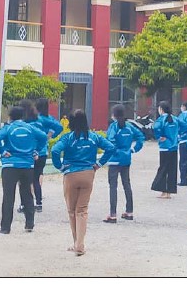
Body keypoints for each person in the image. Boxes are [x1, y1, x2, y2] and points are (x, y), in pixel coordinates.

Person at [51, 110, 115, 256]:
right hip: (88, 174)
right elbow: (110, 147)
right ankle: (80, 244)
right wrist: (99, 164)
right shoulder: (93, 136)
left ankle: (76, 242)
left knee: (71, 211)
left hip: (71, 174)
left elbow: (55, 151)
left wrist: (60, 167)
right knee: (82, 210)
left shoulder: (67, 138)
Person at [0, 105, 47, 234]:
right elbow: (43, 137)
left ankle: (5, 227)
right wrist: (36, 150)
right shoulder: (30, 128)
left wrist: (2, 151)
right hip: (27, 165)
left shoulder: (8, 128)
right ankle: (29, 224)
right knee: (27, 194)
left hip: (10, 165)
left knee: (8, 196)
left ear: (10, 117)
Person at [17, 98, 63, 214]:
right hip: (42, 152)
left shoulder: (24, 122)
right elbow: (59, 127)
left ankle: (24, 204)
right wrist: (49, 135)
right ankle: (38, 203)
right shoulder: (44, 119)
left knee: (24, 180)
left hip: (27, 153)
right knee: (36, 179)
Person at [102, 104, 144, 223]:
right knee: (127, 184)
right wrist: (134, 149)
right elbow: (141, 137)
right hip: (126, 159)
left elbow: (109, 141)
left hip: (114, 160)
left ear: (113, 115)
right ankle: (129, 212)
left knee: (113, 186)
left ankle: (113, 214)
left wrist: (114, 151)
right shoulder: (129, 126)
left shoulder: (113, 127)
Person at [151, 101, 179, 198]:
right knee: (172, 170)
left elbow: (155, 128)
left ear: (161, 109)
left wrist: (159, 137)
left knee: (163, 169)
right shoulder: (175, 119)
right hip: (174, 147)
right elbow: (185, 126)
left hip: (164, 148)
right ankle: (169, 191)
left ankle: (163, 190)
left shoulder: (161, 120)